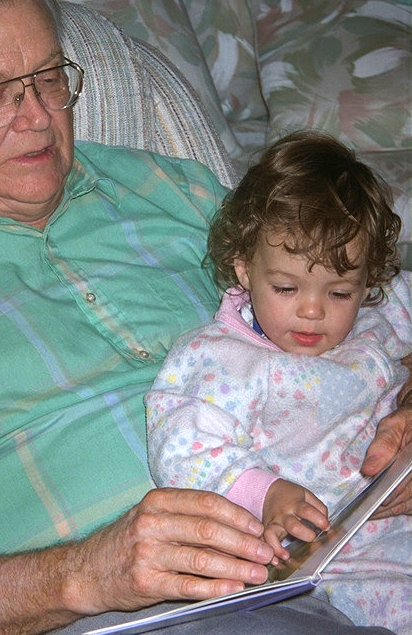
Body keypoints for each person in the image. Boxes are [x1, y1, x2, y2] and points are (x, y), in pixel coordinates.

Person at [0, 0, 409, 635]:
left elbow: (350, 299)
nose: (38, 114)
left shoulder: (172, 187)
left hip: (331, 562)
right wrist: (85, 575)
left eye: (49, 77)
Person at [146, 132, 412, 633]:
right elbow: (182, 447)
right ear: (245, 268)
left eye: (340, 292)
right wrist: (264, 493)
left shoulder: (375, 317)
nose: (312, 311)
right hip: (336, 561)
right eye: (286, 288)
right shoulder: (220, 360)